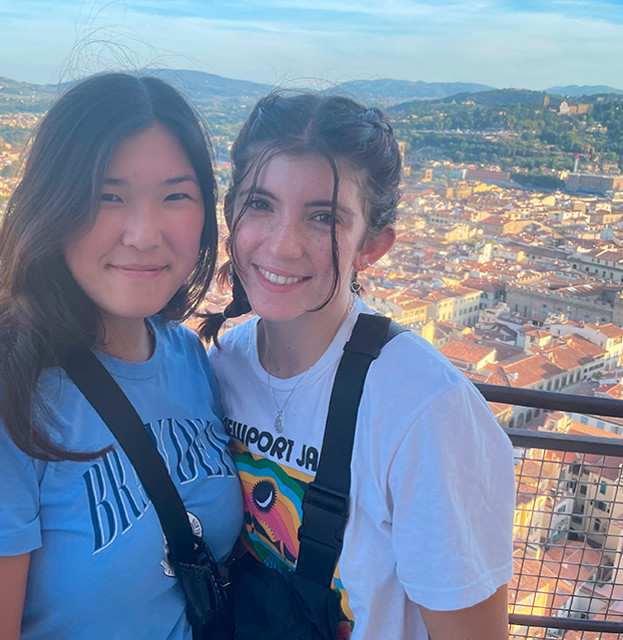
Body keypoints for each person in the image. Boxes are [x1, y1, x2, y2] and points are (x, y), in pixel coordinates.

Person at [0, 73, 242, 640]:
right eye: (108, 196)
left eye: (176, 195)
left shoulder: (185, 356)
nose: (144, 233)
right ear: (52, 205)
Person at [202, 92, 515, 639]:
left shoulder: (425, 410)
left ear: (372, 245)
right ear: (231, 212)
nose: (282, 243)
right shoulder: (225, 364)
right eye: (260, 204)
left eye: (323, 217)